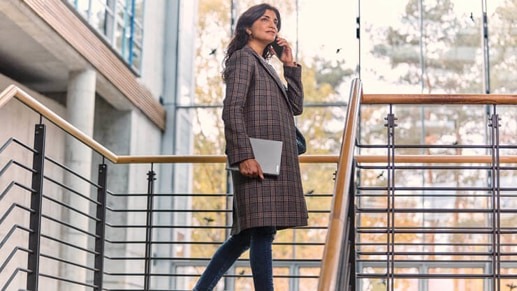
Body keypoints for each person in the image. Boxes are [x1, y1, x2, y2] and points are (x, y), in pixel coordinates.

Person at [193, 3, 308, 291]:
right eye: (265, 19)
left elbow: (295, 107)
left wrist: (289, 66)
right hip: (255, 153)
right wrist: (244, 155)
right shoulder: (243, 58)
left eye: (276, 21)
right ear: (248, 27)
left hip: (269, 152)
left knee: (249, 233)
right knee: (262, 231)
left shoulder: (265, 65)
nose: (273, 24)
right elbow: (232, 109)